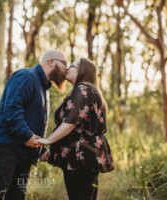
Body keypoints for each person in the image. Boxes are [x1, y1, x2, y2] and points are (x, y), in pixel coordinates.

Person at [0, 50, 68, 200]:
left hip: (23, 153)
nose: (67, 68)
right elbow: (13, 108)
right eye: (64, 63)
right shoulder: (26, 76)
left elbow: (32, 123)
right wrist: (27, 136)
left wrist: (40, 150)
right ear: (51, 62)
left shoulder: (44, 89)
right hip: (3, 148)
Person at [37, 57, 114, 200]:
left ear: (81, 71)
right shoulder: (90, 90)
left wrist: (47, 140)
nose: (67, 68)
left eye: (71, 66)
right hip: (88, 155)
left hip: (80, 157)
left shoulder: (82, 89)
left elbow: (71, 122)